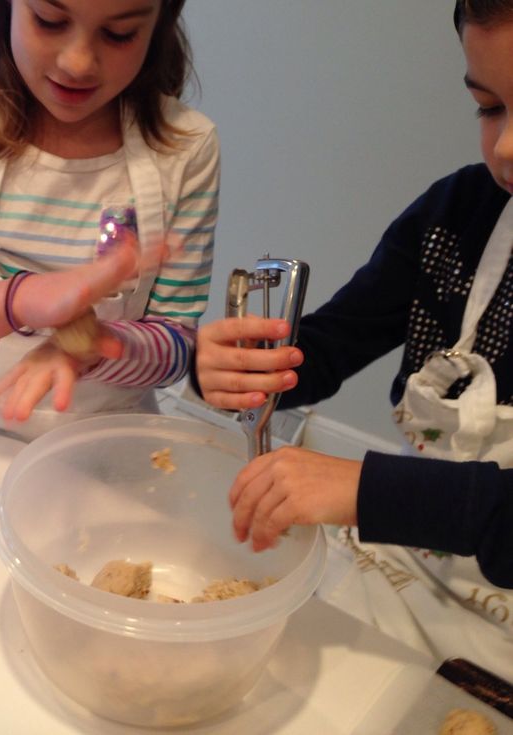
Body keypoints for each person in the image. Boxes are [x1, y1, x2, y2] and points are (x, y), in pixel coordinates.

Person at [195, 0, 513, 677]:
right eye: (491, 108)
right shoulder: (455, 218)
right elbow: (334, 343)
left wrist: (368, 490)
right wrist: (238, 367)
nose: (506, 147)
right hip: (413, 569)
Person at [0, 0, 219, 441]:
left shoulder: (187, 147)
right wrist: (19, 300)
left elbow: (176, 348)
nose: (77, 63)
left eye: (119, 33)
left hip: (108, 443)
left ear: (158, 26)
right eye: (49, 21)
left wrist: (100, 345)